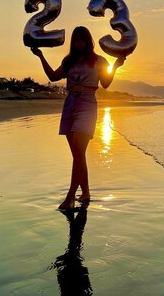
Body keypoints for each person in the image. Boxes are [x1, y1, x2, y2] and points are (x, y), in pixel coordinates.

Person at [31, 25, 125, 210]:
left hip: (87, 105)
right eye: (76, 39)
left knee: (79, 152)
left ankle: (70, 197)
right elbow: (53, 76)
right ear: (73, 42)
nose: (79, 42)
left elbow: (105, 83)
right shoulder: (69, 61)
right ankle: (86, 192)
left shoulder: (99, 61)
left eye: (82, 39)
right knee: (77, 155)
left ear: (88, 40)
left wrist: (115, 66)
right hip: (69, 105)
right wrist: (40, 55)